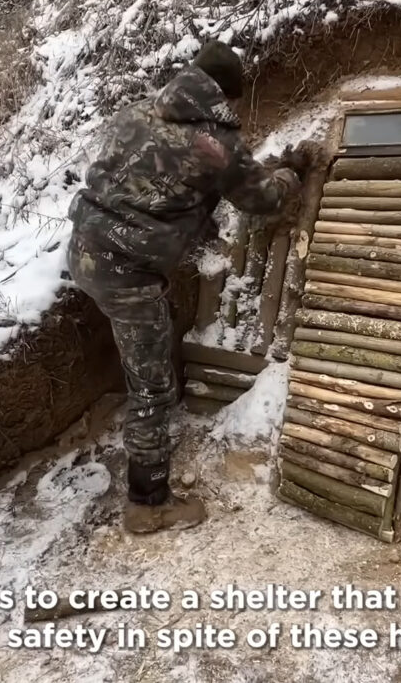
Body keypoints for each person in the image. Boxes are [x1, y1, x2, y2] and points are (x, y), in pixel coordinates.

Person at [67, 41, 317, 534]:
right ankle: (148, 502)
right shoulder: (215, 145)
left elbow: (144, 179)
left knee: (143, 361)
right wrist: (292, 172)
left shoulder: (136, 110)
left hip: (85, 251)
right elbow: (262, 199)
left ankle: (144, 472)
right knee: (154, 390)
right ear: (224, 95)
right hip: (128, 275)